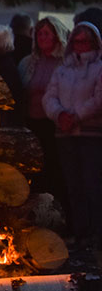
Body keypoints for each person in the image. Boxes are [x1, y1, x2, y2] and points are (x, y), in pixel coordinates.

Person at [42, 22, 102, 252]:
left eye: (84, 41)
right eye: (76, 41)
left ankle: (96, 233)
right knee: (73, 184)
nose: (80, 45)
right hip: (64, 134)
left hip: (89, 134)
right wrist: (59, 115)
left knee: (91, 184)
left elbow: (98, 98)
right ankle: (81, 232)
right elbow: (50, 96)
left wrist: (76, 116)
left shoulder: (98, 68)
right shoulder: (63, 69)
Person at [17, 17, 71, 220]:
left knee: (56, 170)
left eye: (47, 33)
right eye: (39, 34)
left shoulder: (66, 62)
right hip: (32, 123)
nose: (42, 37)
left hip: (55, 124)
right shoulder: (28, 63)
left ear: (56, 35)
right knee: (35, 171)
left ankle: (62, 216)